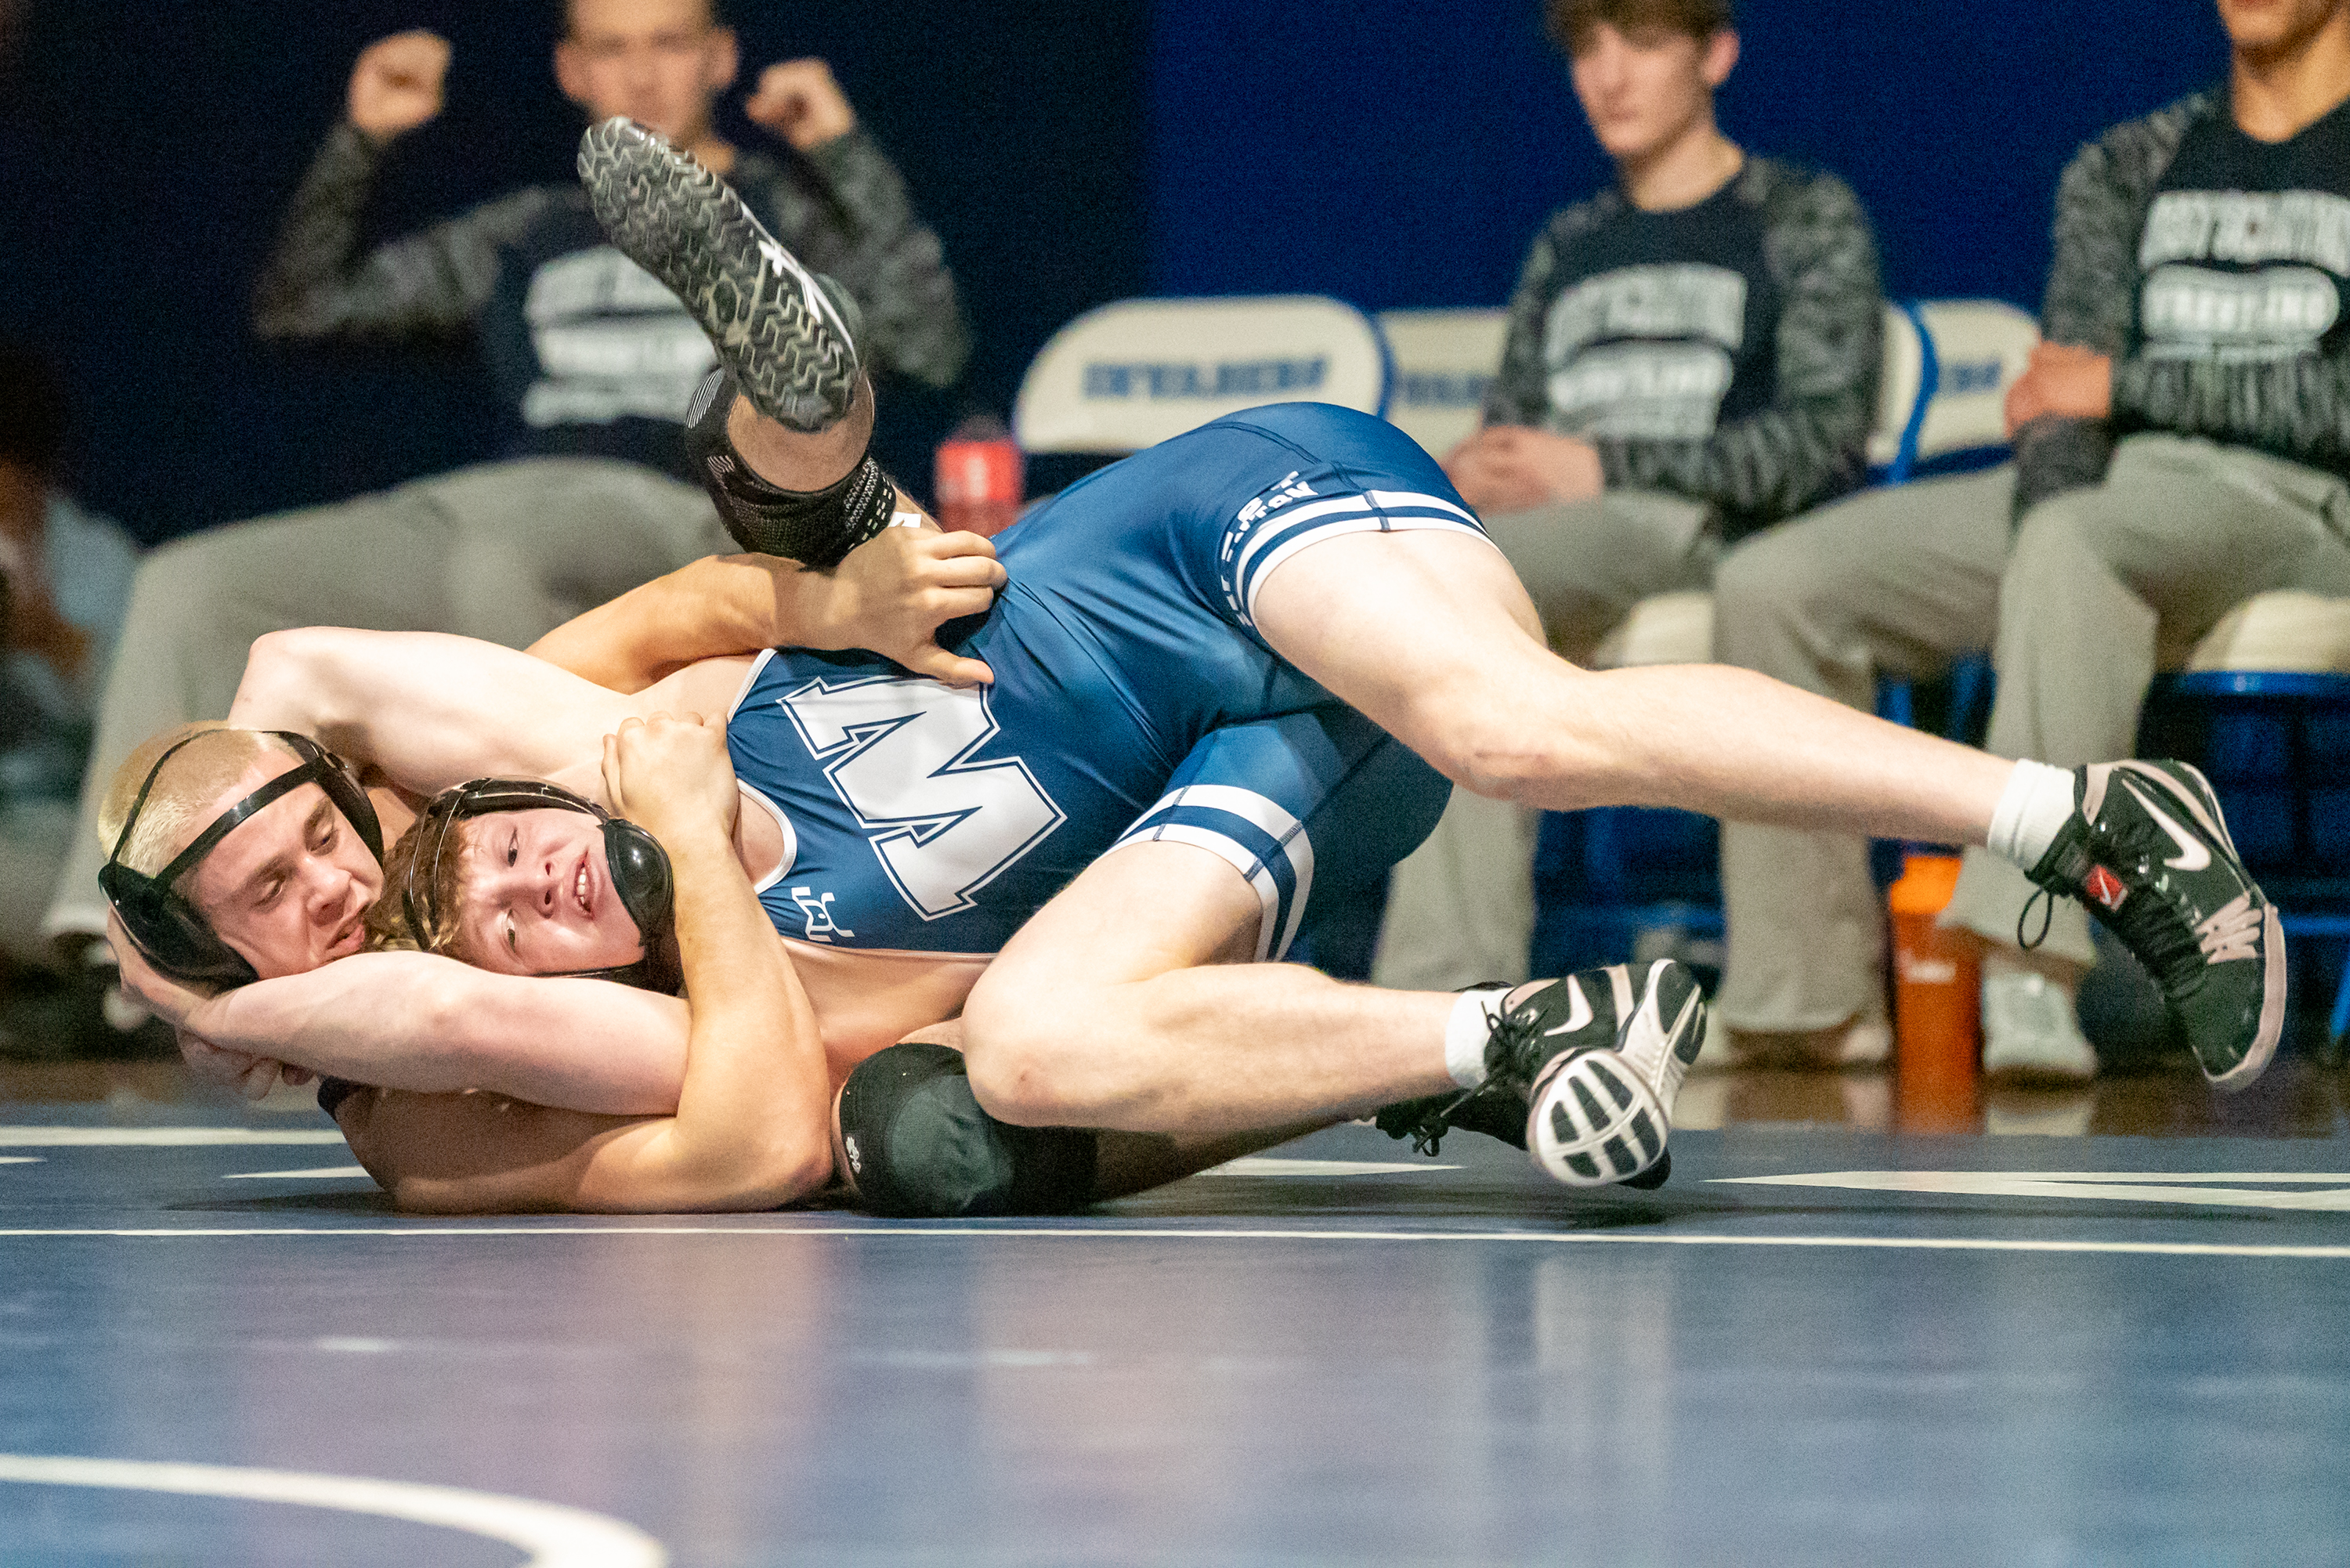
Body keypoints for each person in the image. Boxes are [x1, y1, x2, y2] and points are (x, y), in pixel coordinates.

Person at [114, 117, 2283, 1216]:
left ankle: (2080, 814)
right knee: (1017, 1069)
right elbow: (507, 1037)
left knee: (1511, 724)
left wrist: (191, 962)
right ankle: (1497, 1036)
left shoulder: (617, 759)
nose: (527, 894)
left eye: (475, 860)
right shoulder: (736, 984)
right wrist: (268, 996)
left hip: (1182, 549)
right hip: (1216, 781)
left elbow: (318, 661)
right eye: (506, 936)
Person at [38, 0, 969, 1014]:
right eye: (613, 50)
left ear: (720, 57)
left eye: (668, 44)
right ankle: (126, 948)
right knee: (196, 584)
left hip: (675, 497)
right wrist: (363, 140)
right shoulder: (527, 231)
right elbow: (304, 304)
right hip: (486, 499)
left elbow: (926, 337)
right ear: (572, 73)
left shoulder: (788, 210)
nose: (643, 75)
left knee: (507, 561)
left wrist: (839, 148)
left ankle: (473, 909)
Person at [1705, 0, 2350, 1081]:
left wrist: (2124, 390)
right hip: (2108, 485)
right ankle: (1804, 997)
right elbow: (2058, 395)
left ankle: (2028, 962)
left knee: (2076, 543)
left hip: (2298, 504)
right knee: (1779, 579)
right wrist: (2065, 468)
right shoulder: (2129, 160)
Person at [1372, 0, 1889, 1068]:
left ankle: (1437, 988)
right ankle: (1448, 999)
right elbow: (1515, 420)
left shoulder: (1797, 212)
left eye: (1645, 42)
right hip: (1565, 539)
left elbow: (1824, 441)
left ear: (1718, 53)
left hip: (1718, 527)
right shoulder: (1571, 242)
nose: (1610, 75)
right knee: (1443, 590)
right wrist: (1484, 469)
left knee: (1458, 584)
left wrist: (1602, 466)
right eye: (1589, 47)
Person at [0, 343, 146, 1053]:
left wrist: (51, 641)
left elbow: (144, 742)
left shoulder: (100, 561)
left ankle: (87, 1003)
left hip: (61, 841)